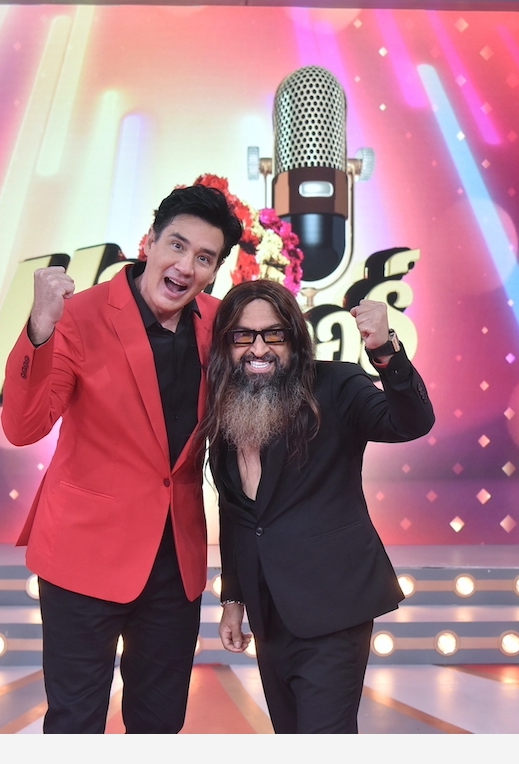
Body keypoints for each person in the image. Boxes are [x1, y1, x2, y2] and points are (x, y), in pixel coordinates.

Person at [0, 184, 243, 733]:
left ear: (214, 271)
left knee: (160, 723)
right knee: (76, 722)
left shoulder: (220, 324)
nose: (185, 266)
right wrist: (39, 329)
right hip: (83, 552)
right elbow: (23, 427)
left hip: (175, 561)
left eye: (204, 258)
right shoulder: (78, 315)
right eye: (176, 245)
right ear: (149, 241)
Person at [204, 279, 434, 734]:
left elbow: (410, 422)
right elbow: (238, 514)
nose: (258, 349)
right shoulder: (227, 402)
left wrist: (385, 349)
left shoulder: (337, 383)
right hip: (269, 612)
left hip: (334, 605)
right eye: (243, 336)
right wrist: (234, 598)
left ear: (294, 336)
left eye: (273, 334)